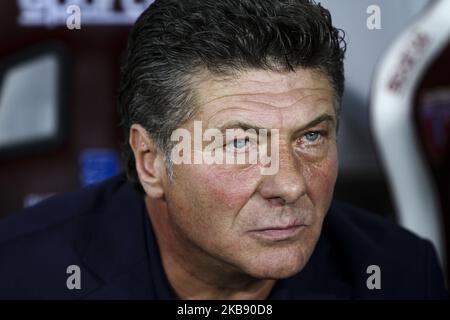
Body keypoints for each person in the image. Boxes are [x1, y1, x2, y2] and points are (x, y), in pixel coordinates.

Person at [0, 0, 447, 299]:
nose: (290, 184)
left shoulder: (400, 272)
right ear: (151, 161)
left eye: (311, 137)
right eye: (239, 142)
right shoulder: (22, 274)